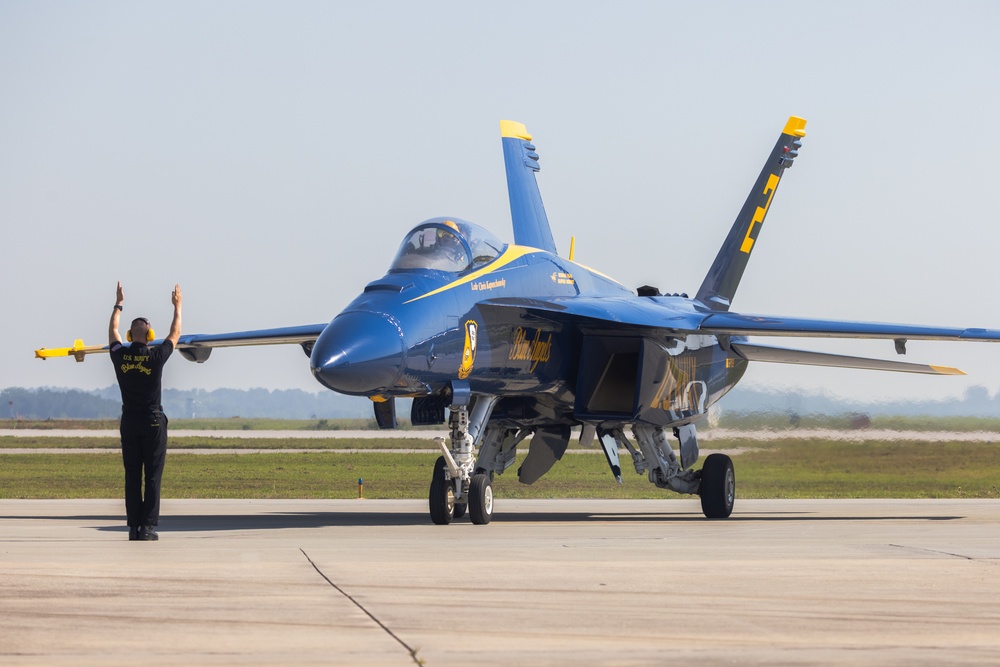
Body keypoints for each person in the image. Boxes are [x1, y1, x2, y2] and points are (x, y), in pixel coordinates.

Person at [108, 282, 182, 541]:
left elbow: (112, 332)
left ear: (130, 335)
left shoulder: (120, 356)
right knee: (152, 475)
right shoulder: (157, 356)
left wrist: (118, 304)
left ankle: (132, 527)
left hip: (129, 419)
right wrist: (178, 306)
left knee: (132, 475)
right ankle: (148, 528)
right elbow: (175, 334)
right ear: (150, 337)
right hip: (152, 420)